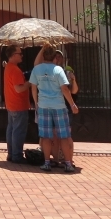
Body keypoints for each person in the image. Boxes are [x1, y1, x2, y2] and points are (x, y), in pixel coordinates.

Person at [29, 43, 78, 172]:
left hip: (43, 106)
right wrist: (72, 104)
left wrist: (36, 103)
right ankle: (68, 163)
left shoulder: (37, 69)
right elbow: (65, 89)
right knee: (64, 136)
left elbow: (33, 88)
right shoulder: (58, 70)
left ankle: (46, 163)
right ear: (54, 57)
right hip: (59, 106)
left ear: (44, 55)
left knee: (45, 136)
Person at [1, 45, 31, 164]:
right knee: (18, 130)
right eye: (20, 53)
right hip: (19, 105)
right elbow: (19, 89)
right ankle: (17, 155)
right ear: (13, 55)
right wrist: (30, 83)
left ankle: (11, 154)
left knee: (12, 129)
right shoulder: (15, 70)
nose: (22, 55)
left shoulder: (8, 67)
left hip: (11, 104)